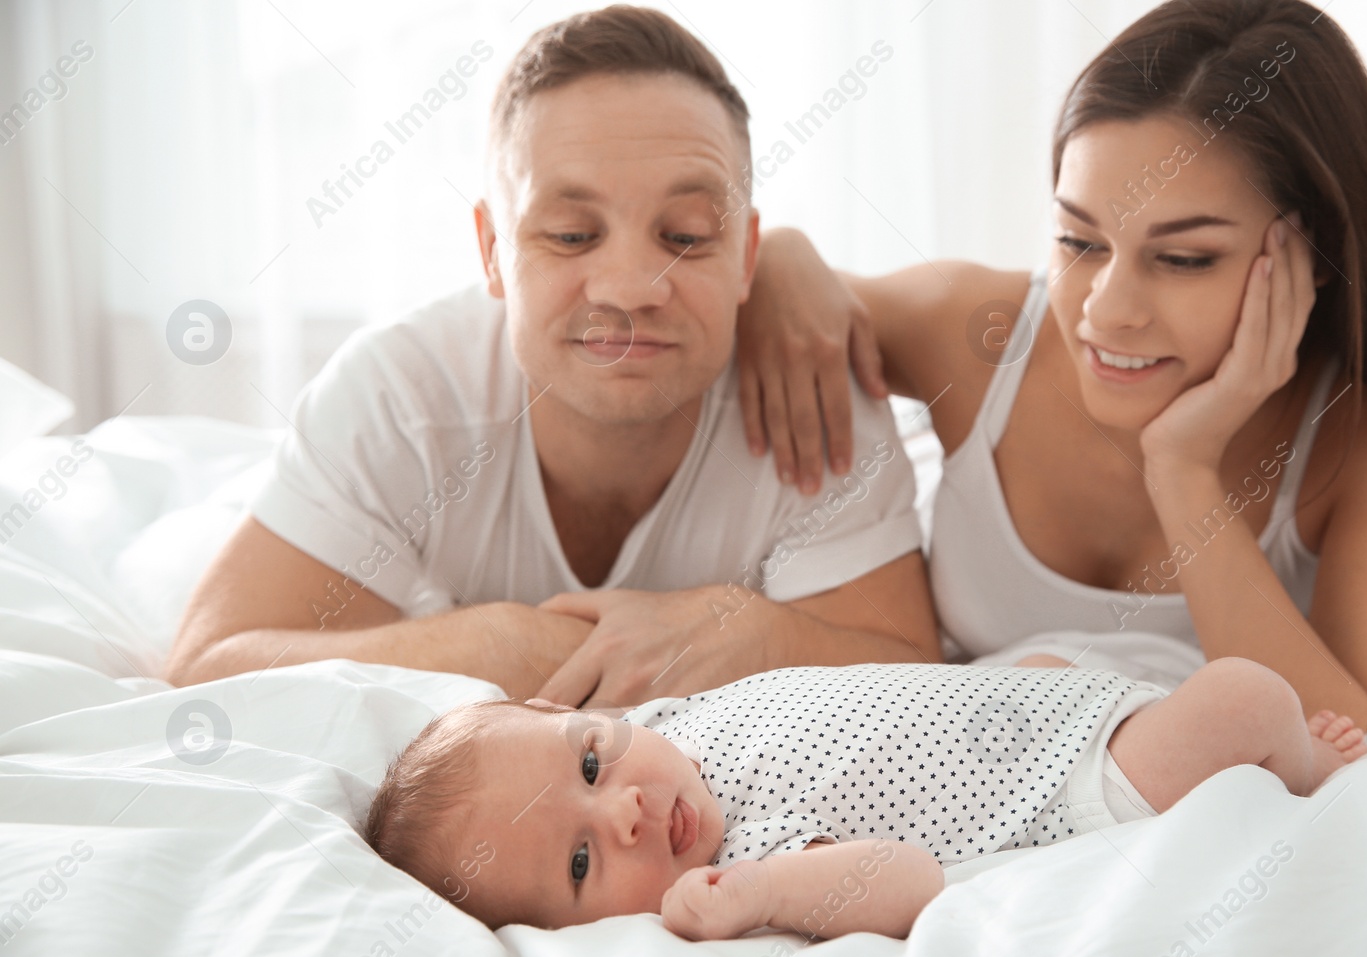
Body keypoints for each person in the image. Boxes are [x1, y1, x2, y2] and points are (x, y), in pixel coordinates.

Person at [733, 0, 1367, 728]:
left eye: (1183, 258)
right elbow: (737, 295)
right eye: (1079, 240)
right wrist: (784, 255)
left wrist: (1183, 471)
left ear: (1314, 253)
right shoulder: (979, 333)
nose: (1105, 309)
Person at [164, 6, 939, 707]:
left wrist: (741, 635)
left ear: (746, 258)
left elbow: (912, 670)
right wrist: (494, 646)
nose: (634, 288)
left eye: (687, 236)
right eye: (572, 235)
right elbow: (208, 664)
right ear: (492, 250)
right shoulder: (398, 398)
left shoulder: (807, 395)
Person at [363, 656, 1367, 940]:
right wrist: (756, 896)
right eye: (582, 862)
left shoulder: (666, 724)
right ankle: (1305, 771)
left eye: (587, 763)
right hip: (1062, 781)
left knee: (1049, 650)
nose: (621, 809)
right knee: (1245, 697)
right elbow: (908, 881)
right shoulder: (742, 860)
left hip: (1026, 695)